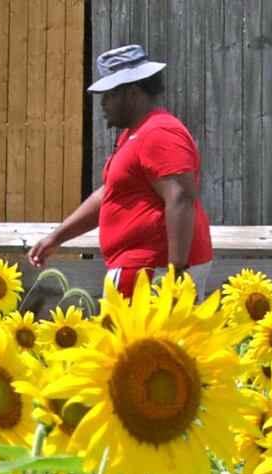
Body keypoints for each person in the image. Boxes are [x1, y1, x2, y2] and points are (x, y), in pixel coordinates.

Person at [28, 44, 213, 297]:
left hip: (151, 269)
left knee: (137, 338)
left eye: (111, 93)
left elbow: (180, 197)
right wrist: (58, 237)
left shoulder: (158, 133)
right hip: (142, 266)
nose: (103, 102)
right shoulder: (135, 134)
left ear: (135, 93)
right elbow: (108, 194)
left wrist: (175, 271)